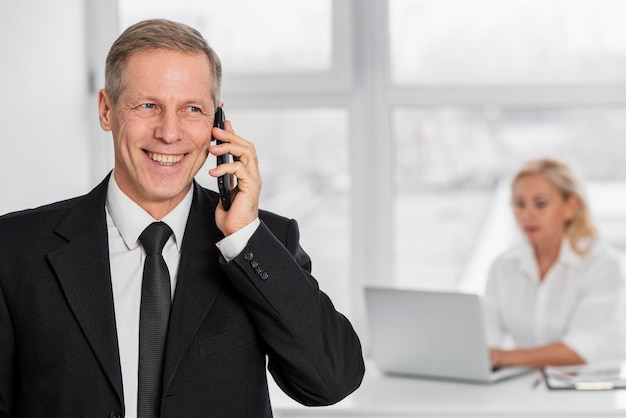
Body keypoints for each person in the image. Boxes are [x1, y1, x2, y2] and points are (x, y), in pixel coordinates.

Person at [0, 19, 364, 417]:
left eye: (192, 109)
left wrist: (244, 239)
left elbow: (333, 381)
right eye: (148, 106)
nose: (169, 133)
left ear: (217, 124)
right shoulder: (15, 249)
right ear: (107, 110)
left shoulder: (263, 242)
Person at [484, 157, 624, 369]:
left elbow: (579, 349)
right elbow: (487, 337)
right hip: (526, 387)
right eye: (519, 204)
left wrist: (503, 357)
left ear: (570, 206)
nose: (527, 215)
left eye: (540, 204)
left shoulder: (603, 265)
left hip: (590, 391)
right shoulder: (503, 267)